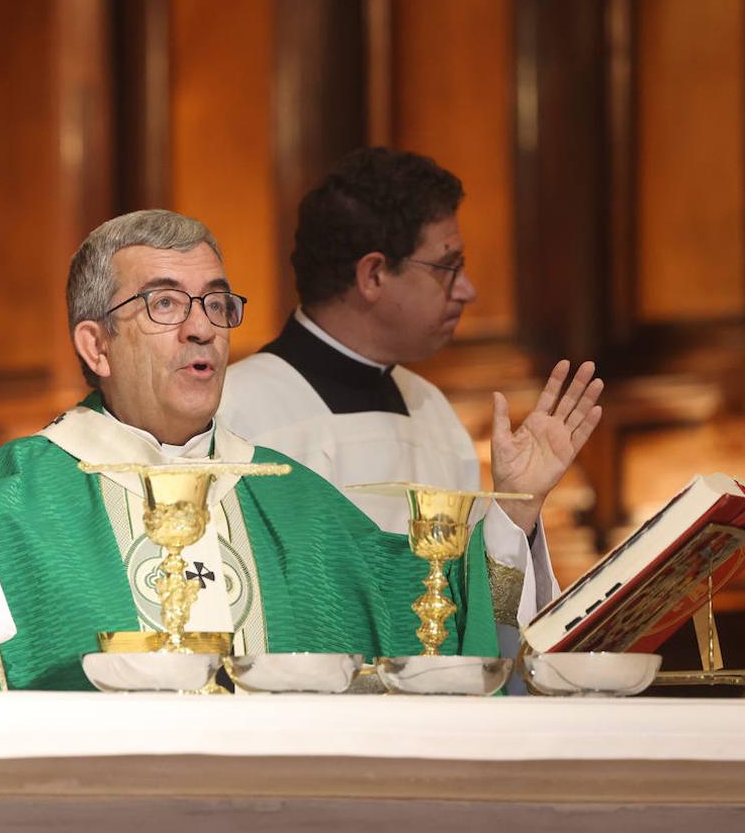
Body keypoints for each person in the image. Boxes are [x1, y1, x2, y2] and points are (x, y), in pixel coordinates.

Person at [0, 209, 601, 691]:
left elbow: (435, 628)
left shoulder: (287, 496)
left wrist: (517, 510)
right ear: (95, 344)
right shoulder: (23, 491)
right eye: (165, 303)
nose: (203, 328)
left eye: (217, 304)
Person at [218, 147, 603, 654]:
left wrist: (519, 509)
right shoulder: (236, 414)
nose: (468, 290)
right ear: (373, 275)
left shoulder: (432, 410)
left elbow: (476, 628)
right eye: (448, 266)